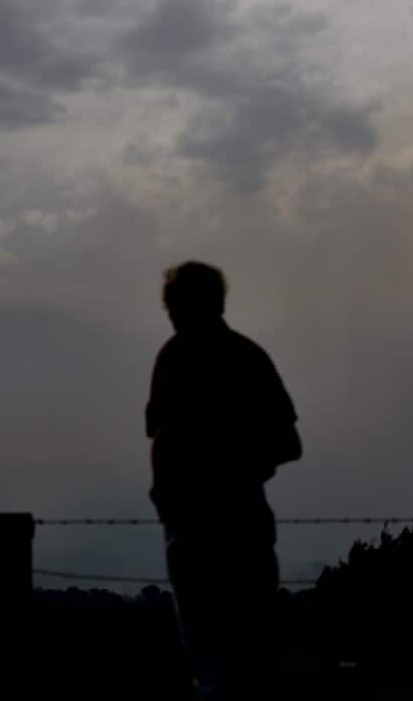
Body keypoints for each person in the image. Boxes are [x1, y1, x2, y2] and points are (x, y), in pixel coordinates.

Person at [145, 262, 302, 699]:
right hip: (205, 523)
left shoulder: (213, 358)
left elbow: (287, 442)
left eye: (176, 305)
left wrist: (225, 472)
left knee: (231, 652)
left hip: (224, 523)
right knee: (223, 650)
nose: (172, 314)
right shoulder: (188, 357)